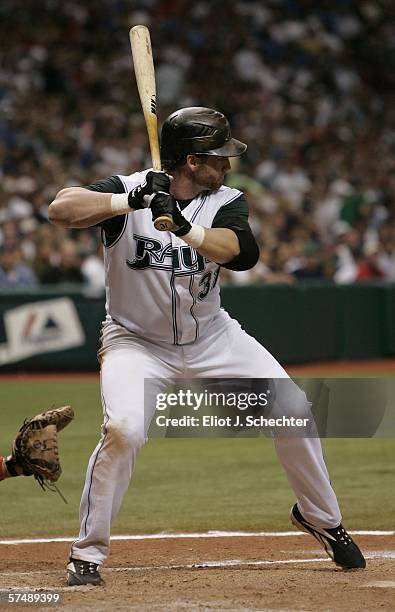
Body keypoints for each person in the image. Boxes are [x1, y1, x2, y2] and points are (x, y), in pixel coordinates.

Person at [48, 107, 365, 586]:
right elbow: (61, 209)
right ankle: (87, 554)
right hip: (136, 342)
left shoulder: (227, 200)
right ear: (192, 161)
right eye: (219, 157)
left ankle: (321, 518)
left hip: (212, 336)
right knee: (125, 429)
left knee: (294, 409)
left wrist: (184, 227)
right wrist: (128, 201)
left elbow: (243, 253)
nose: (228, 166)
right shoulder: (132, 186)